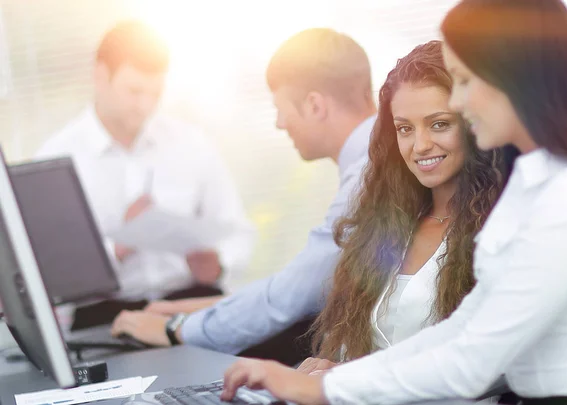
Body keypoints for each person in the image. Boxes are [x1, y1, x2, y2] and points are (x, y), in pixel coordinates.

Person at [220, 1, 567, 404]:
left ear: (514, 77)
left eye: (466, 81)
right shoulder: (532, 183)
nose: (459, 102)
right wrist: (327, 380)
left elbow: (471, 361)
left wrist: (322, 390)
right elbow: (461, 330)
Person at [110, 28, 378, 363]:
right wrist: (215, 307)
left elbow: (293, 294)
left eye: (280, 109)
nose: (280, 124)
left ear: (314, 105)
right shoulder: (374, 160)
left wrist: (176, 328)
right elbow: (300, 282)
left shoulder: (369, 176)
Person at [296, 40, 505, 376]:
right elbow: (365, 347)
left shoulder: (504, 229)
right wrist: (333, 368)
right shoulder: (386, 227)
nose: (420, 146)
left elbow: (485, 365)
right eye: (405, 129)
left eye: (439, 124)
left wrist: (357, 383)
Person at [36, 20, 255, 330]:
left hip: (190, 305)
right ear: (100, 76)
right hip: (104, 316)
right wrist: (118, 248)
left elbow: (237, 230)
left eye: (155, 93)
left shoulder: (192, 144)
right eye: (134, 91)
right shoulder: (56, 157)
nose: (145, 105)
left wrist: (220, 263)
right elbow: (50, 272)